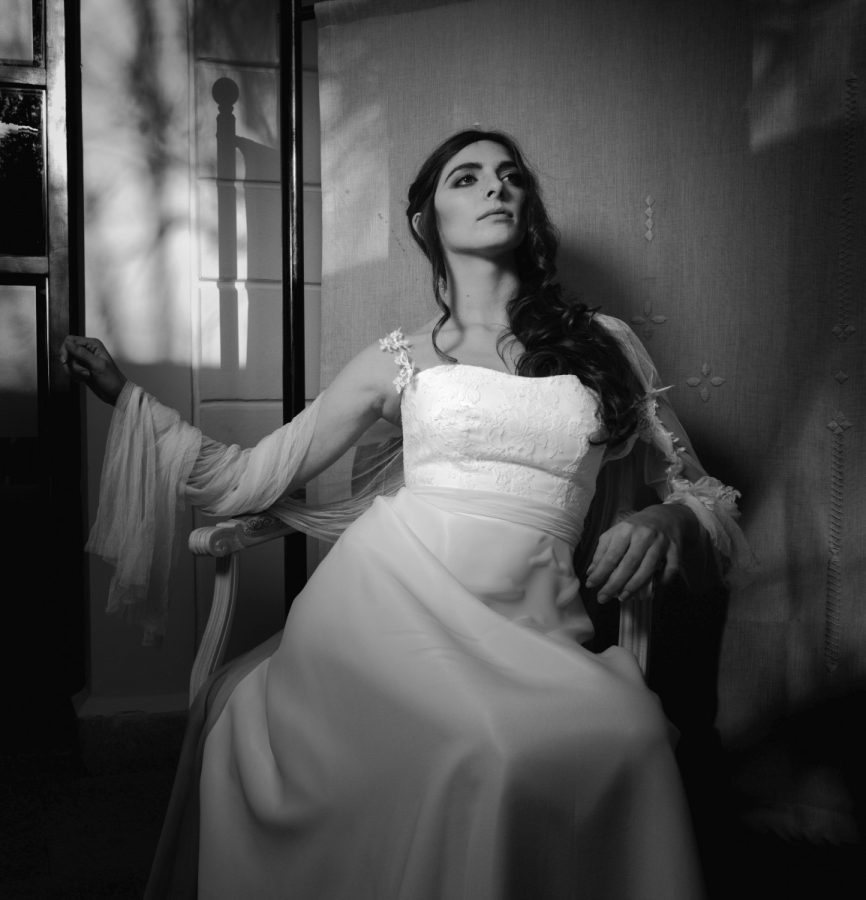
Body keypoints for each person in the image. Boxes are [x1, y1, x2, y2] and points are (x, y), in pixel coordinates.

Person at [63, 129, 747, 899]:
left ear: (528, 207)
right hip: (388, 605)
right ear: (427, 219)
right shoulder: (398, 359)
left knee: (632, 735)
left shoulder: (601, 345)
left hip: (532, 623)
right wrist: (128, 398)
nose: (496, 187)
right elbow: (245, 479)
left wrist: (668, 521)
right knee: (489, 748)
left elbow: (706, 494)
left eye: (510, 176)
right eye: (467, 177)